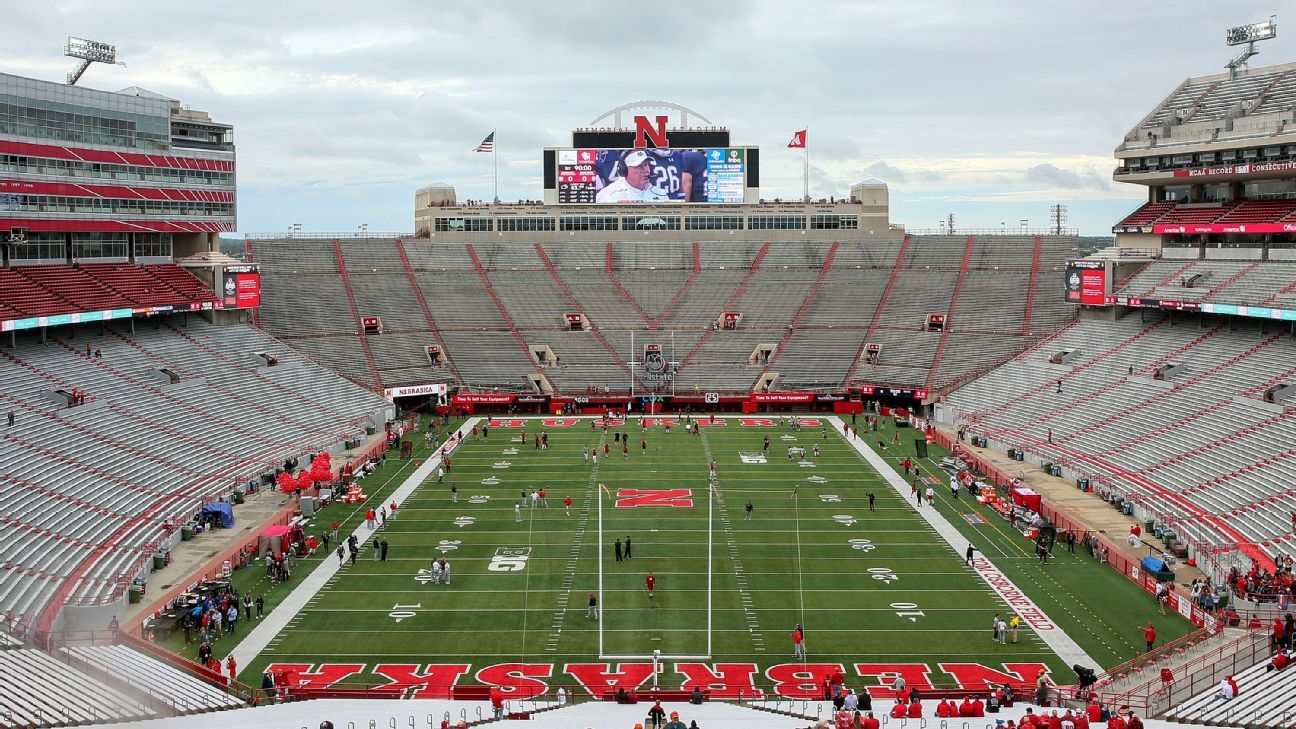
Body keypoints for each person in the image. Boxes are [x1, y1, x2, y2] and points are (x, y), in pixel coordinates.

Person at [596, 150, 664, 203]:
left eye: (646, 165)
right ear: (624, 170)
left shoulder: (660, 193)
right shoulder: (611, 196)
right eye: (639, 166)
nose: (645, 170)